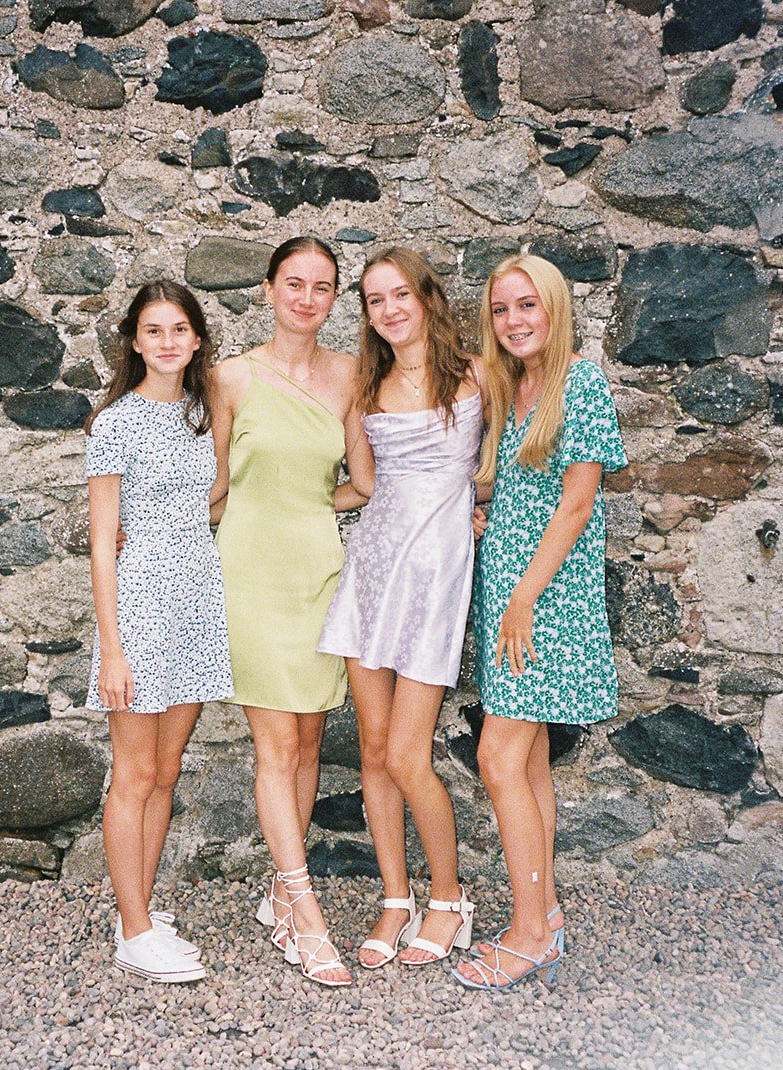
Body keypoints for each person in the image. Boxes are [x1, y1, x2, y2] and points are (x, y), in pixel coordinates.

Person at [452, 254, 627, 991]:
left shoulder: (578, 383)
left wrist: (523, 596)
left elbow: (578, 503)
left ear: (554, 311)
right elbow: (520, 487)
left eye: (528, 306)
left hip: (545, 601)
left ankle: (528, 936)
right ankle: (544, 909)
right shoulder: (510, 386)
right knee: (524, 764)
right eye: (501, 309)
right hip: (510, 595)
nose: (515, 321)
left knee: (497, 759)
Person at [317, 247, 484, 970]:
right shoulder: (366, 387)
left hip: (437, 572)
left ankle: (449, 900)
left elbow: (500, 466)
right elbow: (359, 485)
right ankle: (396, 898)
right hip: (374, 570)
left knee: (411, 755)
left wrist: (479, 508)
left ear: (426, 298)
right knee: (375, 754)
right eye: (373, 300)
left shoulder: (477, 375)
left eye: (398, 296)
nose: (387, 311)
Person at [209, 236, 366, 987]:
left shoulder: (352, 377)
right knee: (277, 746)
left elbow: (364, 483)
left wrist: (309, 506)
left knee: (308, 741)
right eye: (294, 284)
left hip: (319, 570)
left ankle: (280, 884)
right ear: (268, 290)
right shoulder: (230, 377)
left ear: (335, 299)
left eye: (323, 287)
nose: (307, 299)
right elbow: (211, 488)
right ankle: (305, 912)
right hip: (249, 574)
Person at [86, 280, 233, 984]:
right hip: (140, 606)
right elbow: (100, 539)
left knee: (167, 771)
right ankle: (135, 931)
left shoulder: (204, 414)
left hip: (196, 602)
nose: (168, 341)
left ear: (197, 338)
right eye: (154, 330)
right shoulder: (115, 423)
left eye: (180, 329)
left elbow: (219, 495)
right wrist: (112, 648)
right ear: (135, 341)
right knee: (136, 773)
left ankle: (136, 905)